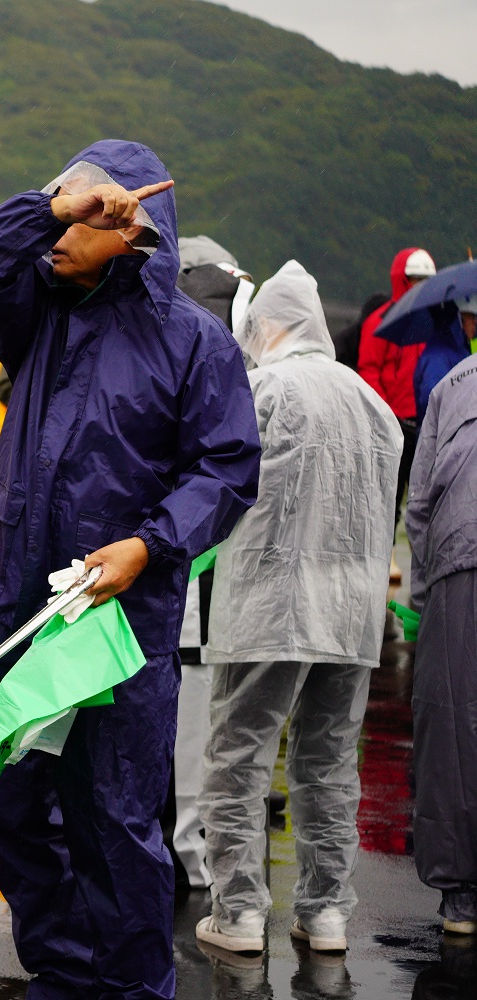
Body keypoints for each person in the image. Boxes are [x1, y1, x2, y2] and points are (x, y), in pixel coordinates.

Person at [0, 140, 261, 999]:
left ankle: (131, 987)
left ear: (133, 228)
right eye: (59, 205)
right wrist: (58, 208)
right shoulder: (35, 312)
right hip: (20, 599)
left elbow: (229, 469)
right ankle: (62, 969)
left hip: (119, 619)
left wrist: (152, 544)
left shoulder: (193, 344)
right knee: (9, 804)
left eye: (88, 209)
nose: (63, 224)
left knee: (114, 818)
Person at [196, 260, 402, 955]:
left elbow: (221, 486)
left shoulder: (264, 389)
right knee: (330, 762)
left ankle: (240, 915)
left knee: (239, 758)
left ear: (270, 326)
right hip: (352, 611)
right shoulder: (370, 401)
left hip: (270, 605)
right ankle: (326, 915)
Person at [169, 234, 255, 892]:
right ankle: (194, 855)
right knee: (211, 719)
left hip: (170, 563)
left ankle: (175, 841)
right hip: (224, 568)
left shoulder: (172, 336)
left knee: (170, 710)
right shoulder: (234, 346)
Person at [406, 349, 477, 937]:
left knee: (455, 729)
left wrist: (424, 596)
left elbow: (421, 504)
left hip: (460, 560)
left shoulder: (452, 383)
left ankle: (461, 896)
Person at [359, 247, 436, 555]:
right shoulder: (381, 323)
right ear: (402, 280)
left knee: (427, 499)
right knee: (387, 497)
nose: (419, 285)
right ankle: (383, 557)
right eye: (414, 279)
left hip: (429, 425)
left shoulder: (436, 323)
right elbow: (368, 371)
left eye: (425, 280)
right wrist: (386, 416)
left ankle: (425, 558)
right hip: (394, 425)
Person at [411, 296, 475, 421]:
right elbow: (431, 401)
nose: (475, 323)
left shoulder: (459, 347)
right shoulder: (439, 353)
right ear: (460, 318)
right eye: (472, 317)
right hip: (442, 435)